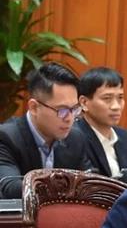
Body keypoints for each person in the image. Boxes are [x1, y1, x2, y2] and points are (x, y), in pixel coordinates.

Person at [0, 63, 90, 198]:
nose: (69, 118)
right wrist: (65, 186)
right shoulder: (6, 137)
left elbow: (89, 183)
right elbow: (10, 188)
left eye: (74, 109)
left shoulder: (75, 138)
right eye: (62, 110)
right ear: (34, 107)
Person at [75, 67, 127, 178]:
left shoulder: (126, 138)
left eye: (120, 98)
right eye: (107, 98)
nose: (116, 106)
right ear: (84, 103)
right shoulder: (74, 139)